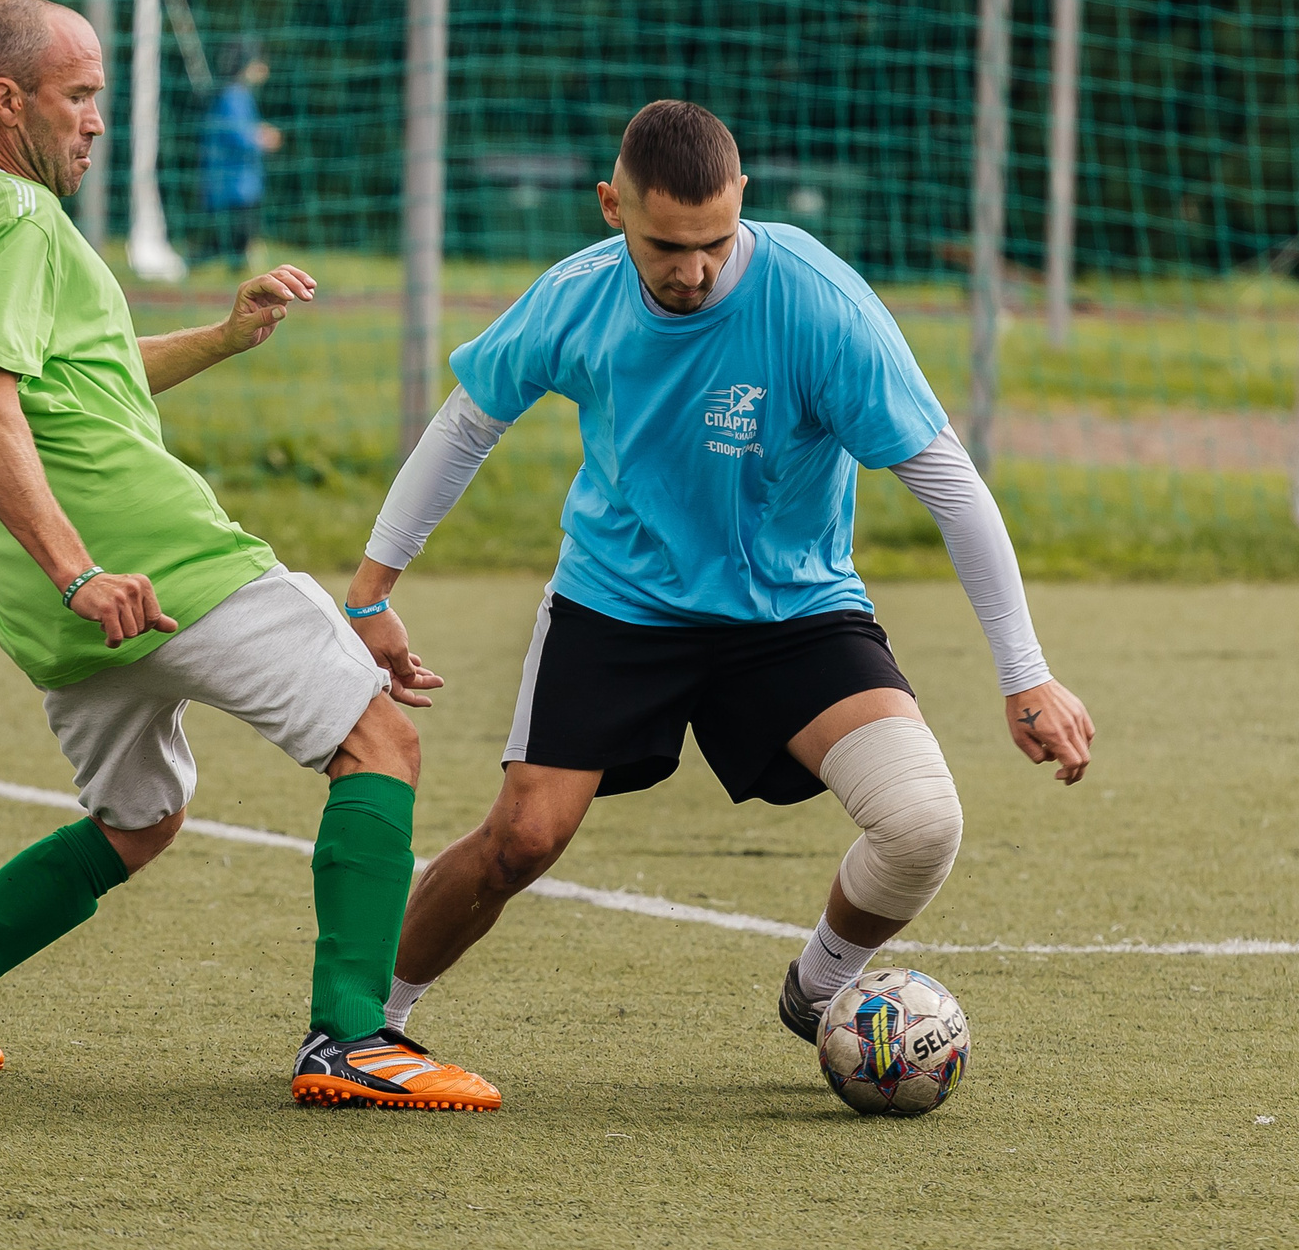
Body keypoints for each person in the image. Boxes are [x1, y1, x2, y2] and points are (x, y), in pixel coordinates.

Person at [0, 0, 496, 1113]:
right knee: (377, 743)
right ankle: (353, 1039)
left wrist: (226, 338)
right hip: (148, 562)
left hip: (56, 601)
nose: (96, 121)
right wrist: (84, 570)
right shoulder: (21, 221)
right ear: (6, 99)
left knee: (137, 821)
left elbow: (77, 370)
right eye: (78, 95)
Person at [342, 100, 1095, 1091]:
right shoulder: (575, 297)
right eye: (664, 244)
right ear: (612, 207)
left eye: (711, 241)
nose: (690, 270)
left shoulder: (821, 303)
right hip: (617, 606)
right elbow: (466, 425)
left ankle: (817, 988)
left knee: (920, 824)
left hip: (792, 615)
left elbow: (946, 481)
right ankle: (365, 1027)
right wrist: (371, 589)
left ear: (741, 199)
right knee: (520, 840)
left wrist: (1026, 674)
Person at [197, 45, 280, 269]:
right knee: (228, 235)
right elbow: (237, 135)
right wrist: (263, 138)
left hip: (242, 182)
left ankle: (233, 268)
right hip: (232, 183)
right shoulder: (232, 96)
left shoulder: (240, 95)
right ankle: (198, 265)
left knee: (239, 235)